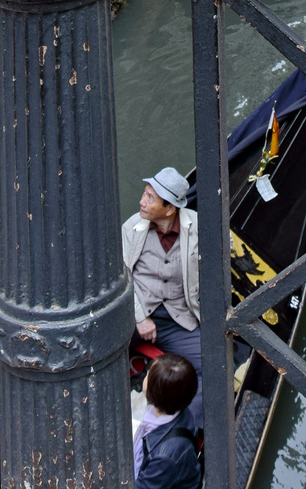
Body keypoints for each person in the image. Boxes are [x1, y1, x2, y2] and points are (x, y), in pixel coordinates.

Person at [123, 167, 204, 428]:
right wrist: (140, 318)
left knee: (211, 366)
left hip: (179, 317)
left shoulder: (199, 228)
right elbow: (121, 277)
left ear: (169, 209)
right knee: (101, 347)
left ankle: (181, 430)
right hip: (135, 311)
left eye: (149, 198)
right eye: (144, 194)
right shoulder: (132, 227)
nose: (141, 202)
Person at [134, 354, 201, 489]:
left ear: (153, 393)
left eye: (149, 374)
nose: (146, 374)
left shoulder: (164, 457)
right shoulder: (180, 407)